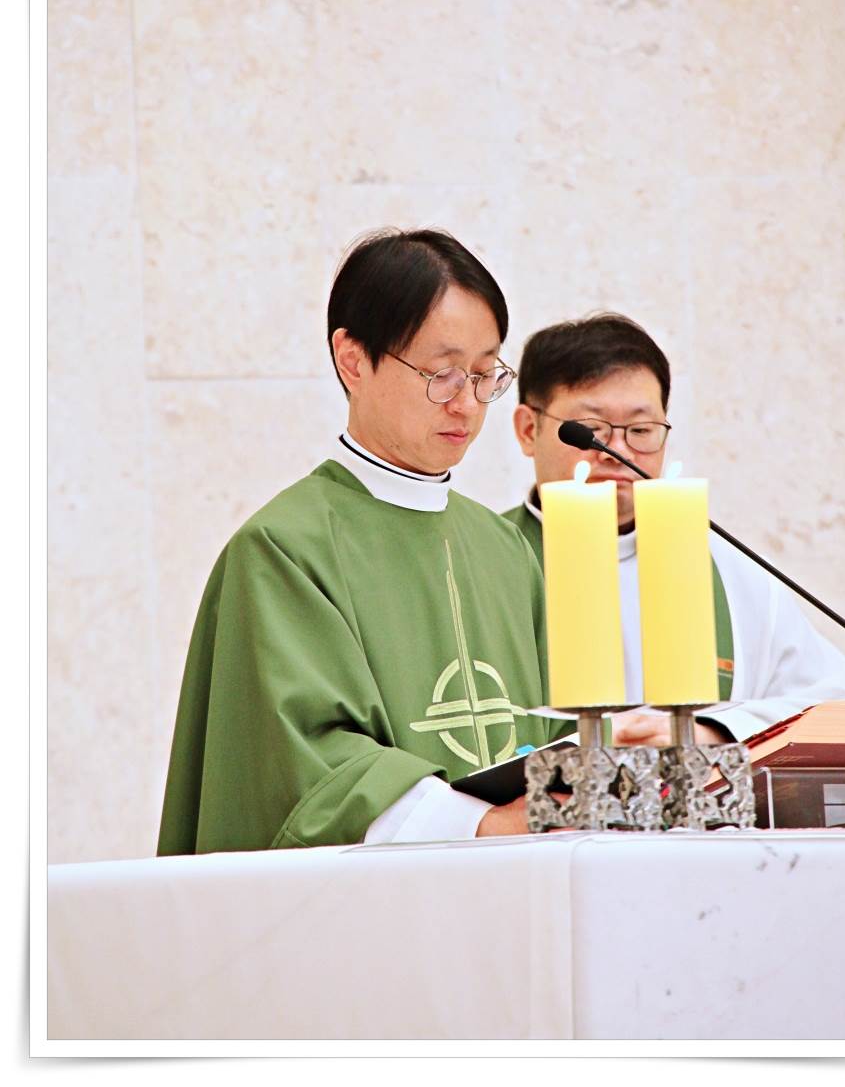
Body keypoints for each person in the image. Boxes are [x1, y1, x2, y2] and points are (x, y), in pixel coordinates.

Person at [157, 228, 567, 854]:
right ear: (353, 360)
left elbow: (551, 735)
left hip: (514, 891)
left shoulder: (505, 549)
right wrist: (478, 825)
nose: (467, 404)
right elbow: (305, 767)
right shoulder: (282, 550)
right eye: (442, 374)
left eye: (485, 374)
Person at [503, 313, 845, 745]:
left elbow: (827, 703)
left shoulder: (732, 572)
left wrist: (712, 732)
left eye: (641, 430)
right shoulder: (481, 561)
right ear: (528, 430)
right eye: (590, 430)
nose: (616, 451)